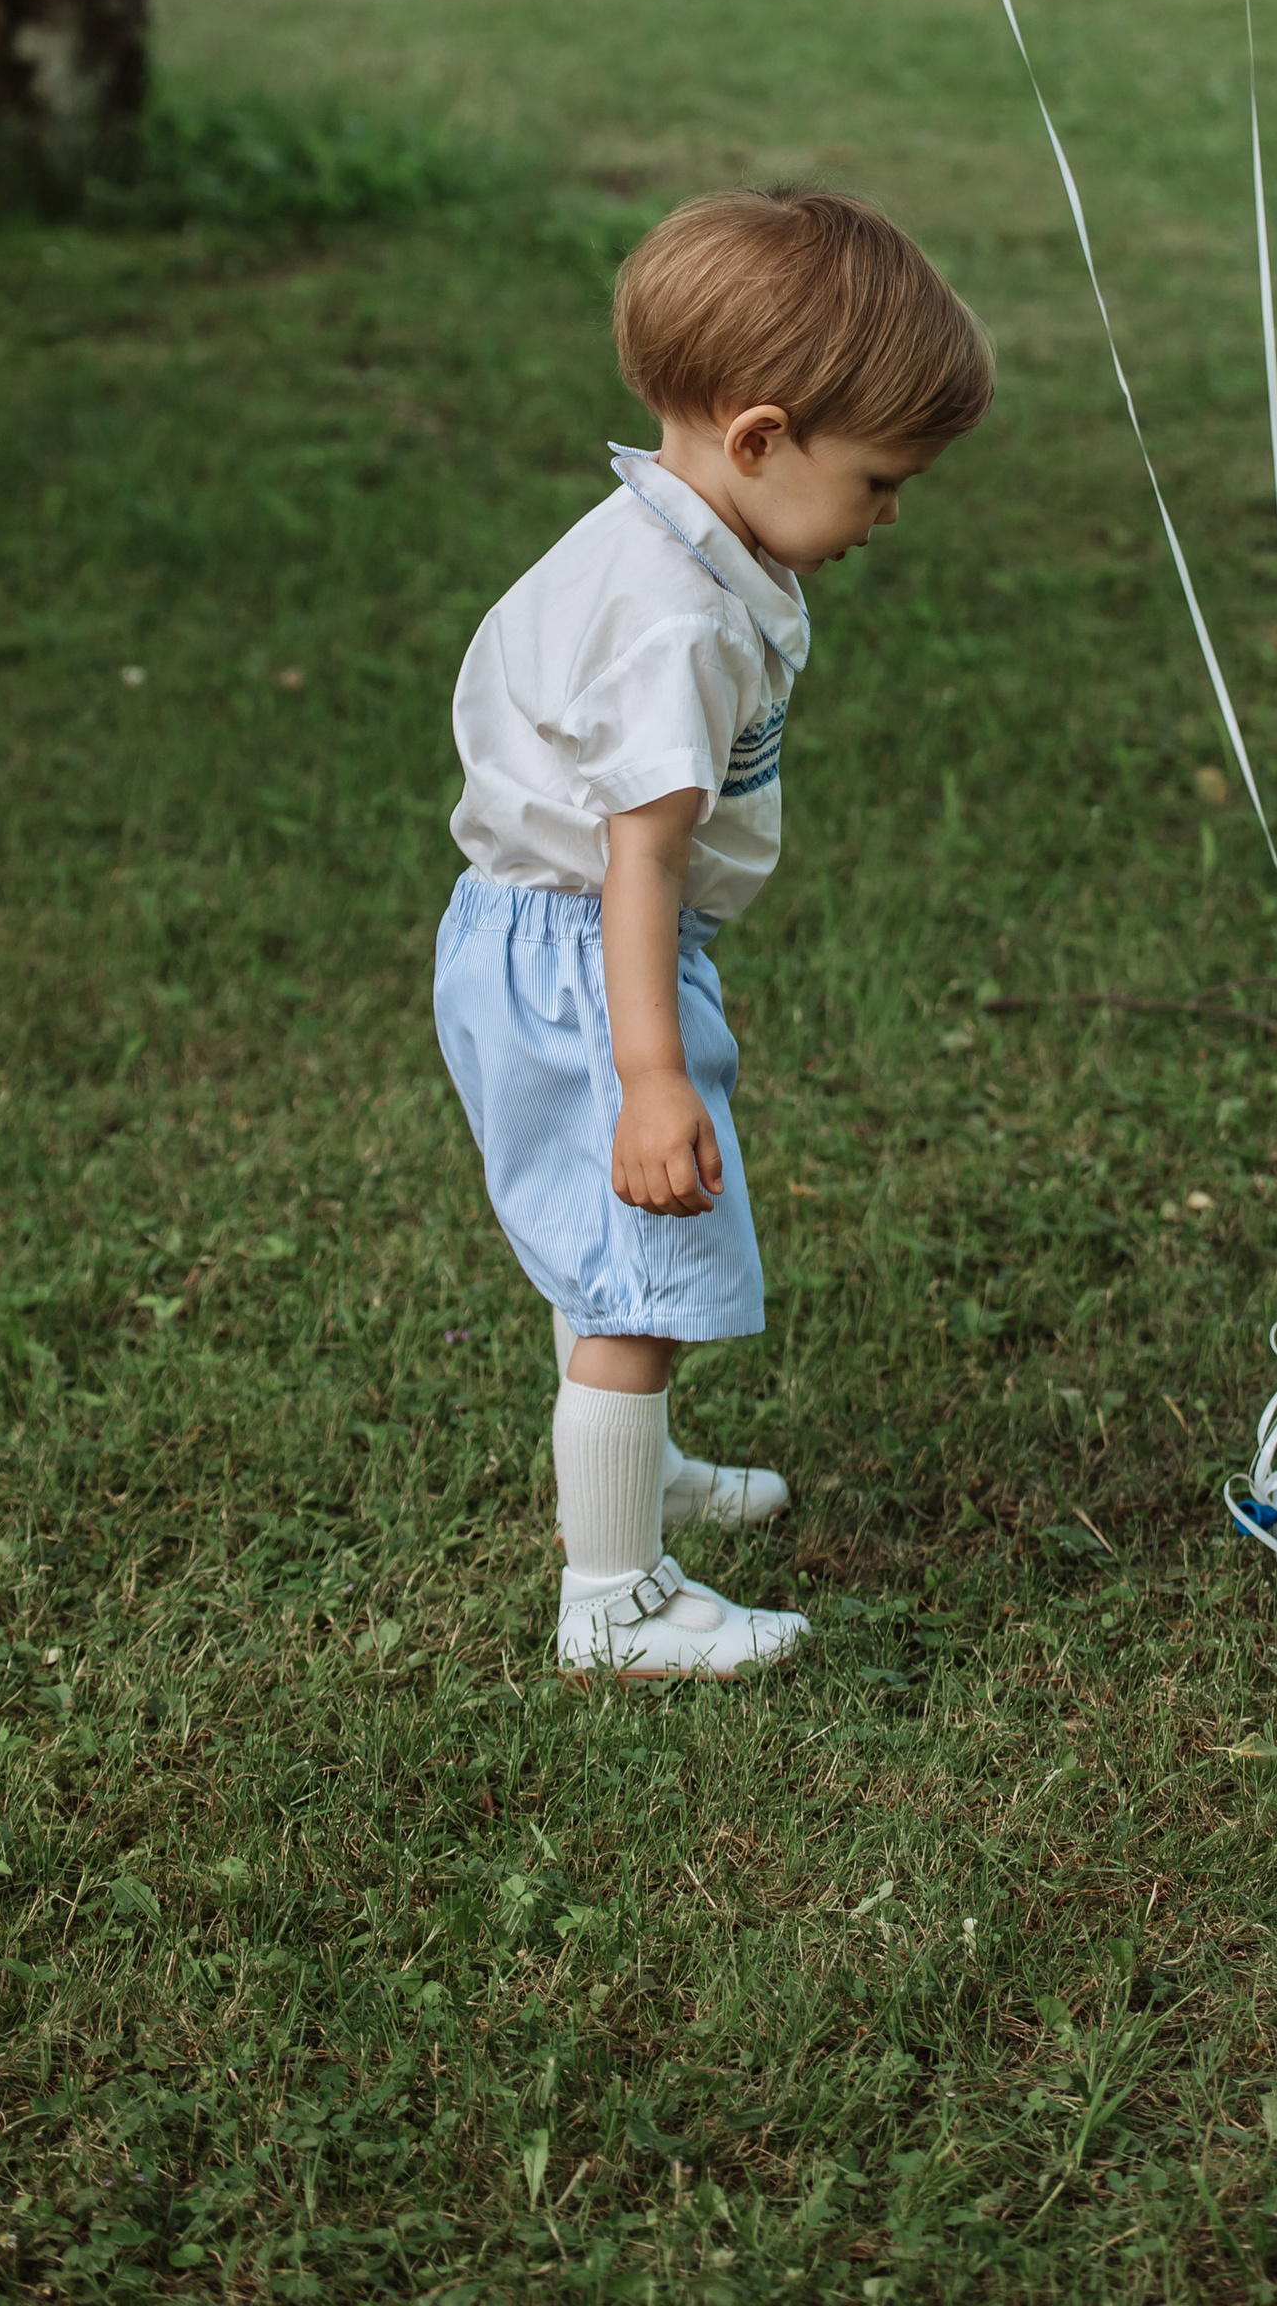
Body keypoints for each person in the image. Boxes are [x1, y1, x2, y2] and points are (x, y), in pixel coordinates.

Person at [434, 186, 995, 1680]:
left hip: (539, 937)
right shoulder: (677, 619)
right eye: (881, 480)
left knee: (621, 1256)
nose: (890, 514)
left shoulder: (668, 534)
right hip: (584, 954)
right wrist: (653, 1072)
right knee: (642, 1260)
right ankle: (610, 1600)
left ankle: (641, 1464)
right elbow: (641, 858)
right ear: (757, 440)